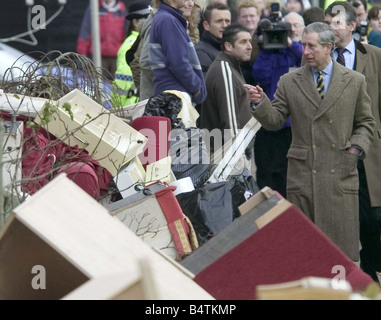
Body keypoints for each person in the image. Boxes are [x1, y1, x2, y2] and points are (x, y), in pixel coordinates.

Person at [246, 21, 375, 262]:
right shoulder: (289, 81)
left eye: (311, 46)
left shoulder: (354, 80)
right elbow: (274, 120)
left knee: (341, 258)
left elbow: (366, 123)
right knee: (306, 254)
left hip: (340, 175)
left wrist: (355, 149)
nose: (305, 51)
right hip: (303, 176)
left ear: (328, 47)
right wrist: (259, 103)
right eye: (303, 45)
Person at [325, 0, 381, 284]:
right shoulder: (317, 58)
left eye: (336, 23)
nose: (331, 29)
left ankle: (372, 269)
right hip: (334, 152)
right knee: (342, 219)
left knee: (374, 218)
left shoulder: (375, 56)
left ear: (351, 25)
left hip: (371, 151)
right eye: (328, 23)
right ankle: (357, 277)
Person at [251, 11, 304, 198]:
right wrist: (268, 47)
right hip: (271, 121)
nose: (291, 30)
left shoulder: (299, 50)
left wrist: (290, 44)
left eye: (295, 26)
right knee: (266, 171)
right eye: (287, 26)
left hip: (294, 123)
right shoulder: (272, 50)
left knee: (288, 173)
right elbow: (260, 75)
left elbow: (305, 58)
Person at [200, 23, 255, 174]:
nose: (249, 46)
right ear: (228, 46)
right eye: (243, 42)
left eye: (250, 41)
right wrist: (239, 158)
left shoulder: (231, 66)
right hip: (229, 155)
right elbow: (230, 123)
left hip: (231, 152)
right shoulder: (224, 70)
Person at [149, 0, 206, 105]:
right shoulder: (168, 20)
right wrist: (197, 88)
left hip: (170, 96)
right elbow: (178, 63)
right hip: (173, 98)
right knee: (168, 122)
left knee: (165, 122)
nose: (191, 3)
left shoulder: (167, 18)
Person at [111, 1, 151, 107]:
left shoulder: (130, 41)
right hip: (130, 101)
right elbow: (129, 75)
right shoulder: (133, 44)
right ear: (135, 22)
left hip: (126, 101)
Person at [76, 0, 127, 80]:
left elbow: (126, 33)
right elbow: (85, 32)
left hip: (117, 58)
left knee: (116, 86)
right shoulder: (94, 7)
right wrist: (82, 55)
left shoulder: (121, 9)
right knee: (96, 85)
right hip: (97, 57)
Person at [195, 2, 232, 77]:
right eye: (219, 21)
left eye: (227, 21)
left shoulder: (230, 50)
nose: (224, 25)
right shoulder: (201, 52)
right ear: (206, 25)